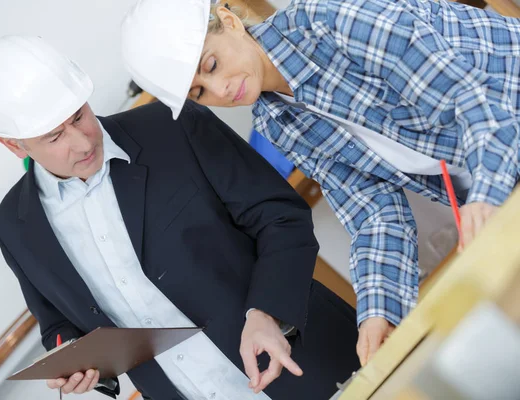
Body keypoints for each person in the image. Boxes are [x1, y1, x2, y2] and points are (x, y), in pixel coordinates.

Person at [119, 0, 520, 365]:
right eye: (200, 91)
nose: (221, 88)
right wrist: (378, 313)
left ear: (229, 20)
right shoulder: (279, 125)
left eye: (211, 65)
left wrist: (486, 197)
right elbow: (373, 214)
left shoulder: (333, 23)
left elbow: (472, 98)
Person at [0, 35, 360, 400]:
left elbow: (279, 215)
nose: (83, 141)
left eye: (78, 116)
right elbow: (56, 323)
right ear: (11, 144)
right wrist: (71, 356)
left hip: (309, 366)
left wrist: (267, 310)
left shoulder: (173, 125)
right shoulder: (13, 227)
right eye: (54, 137)